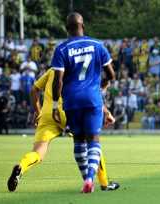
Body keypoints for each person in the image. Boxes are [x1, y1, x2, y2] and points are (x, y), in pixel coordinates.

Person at [7, 69, 119, 192]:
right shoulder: (78, 69)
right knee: (92, 142)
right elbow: (89, 94)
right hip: (69, 111)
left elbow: (34, 90)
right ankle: (104, 183)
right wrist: (107, 112)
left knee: (38, 152)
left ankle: (20, 167)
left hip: (48, 114)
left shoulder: (52, 70)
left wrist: (38, 112)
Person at [51, 12, 116, 193]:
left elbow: (58, 81)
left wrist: (56, 105)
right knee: (93, 139)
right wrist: (104, 83)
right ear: (83, 26)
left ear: (67, 29)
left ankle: (87, 182)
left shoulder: (62, 49)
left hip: (71, 100)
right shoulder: (97, 45)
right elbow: (111, 74)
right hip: (92, 98)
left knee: (78, 140)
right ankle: (89, 178)